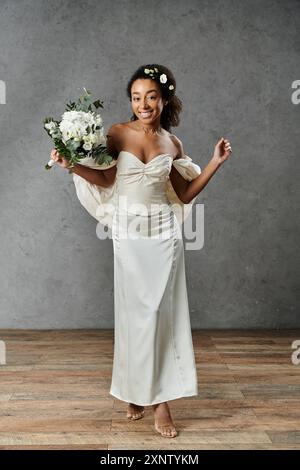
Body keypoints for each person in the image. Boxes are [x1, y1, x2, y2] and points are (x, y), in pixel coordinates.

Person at [50, 64, 232, 438]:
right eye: (136, 97)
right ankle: (135, 389)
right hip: (129, 232)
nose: (143, 104)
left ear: (164, 99)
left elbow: (183, 194)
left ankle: (161, 402)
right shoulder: (117, 134)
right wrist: (73, 166)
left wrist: (214, 162)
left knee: (162, 315)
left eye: (150, 96)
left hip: (164, 234)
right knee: (135, 315)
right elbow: (106, 178)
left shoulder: (173, 144)